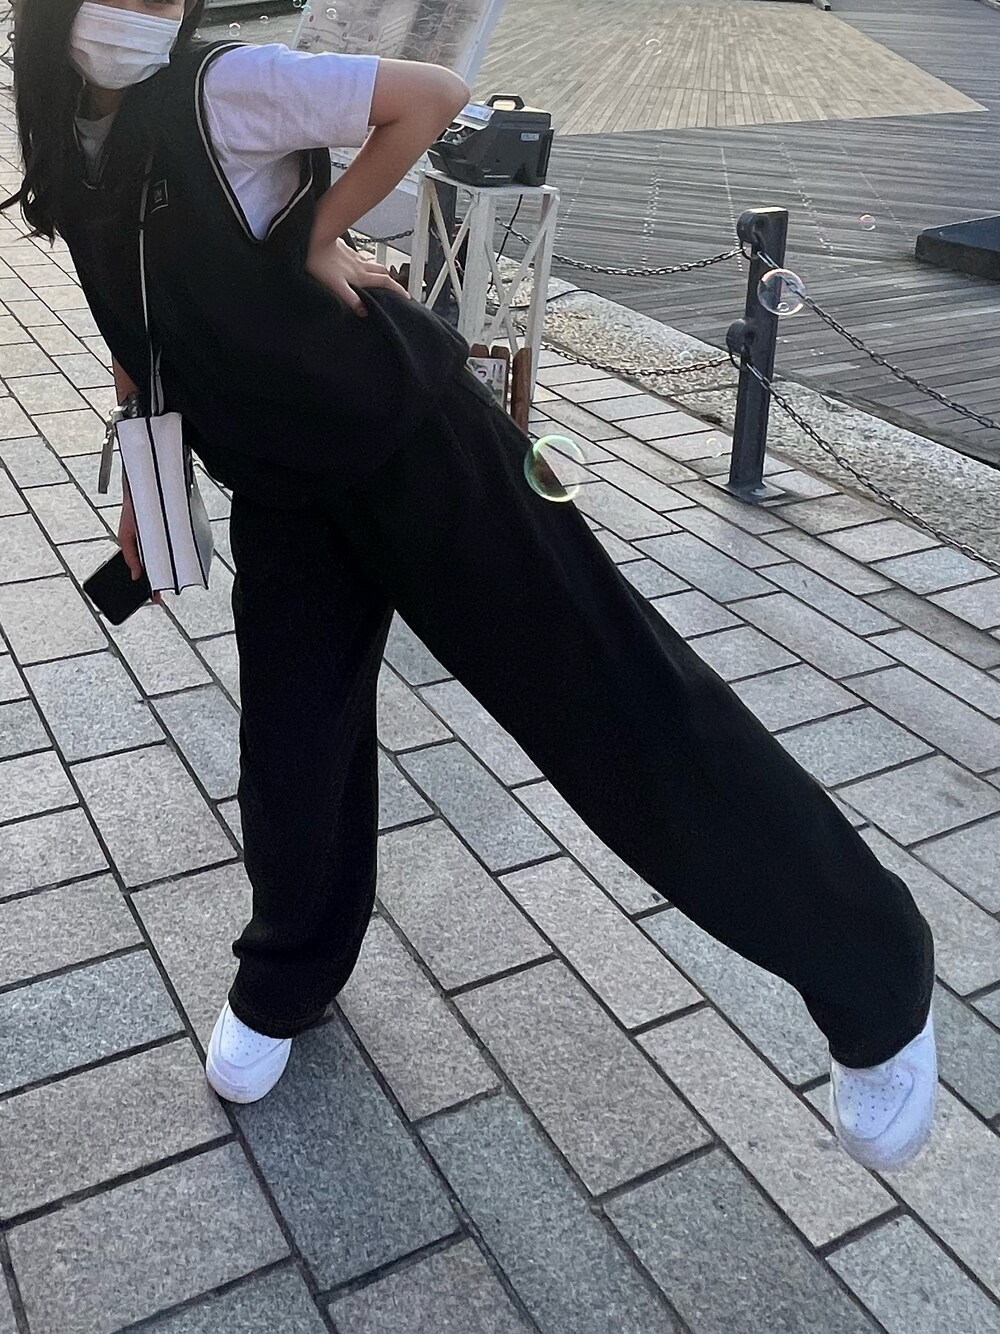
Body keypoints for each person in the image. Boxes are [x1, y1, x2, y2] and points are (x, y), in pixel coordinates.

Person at [6, 0, 938, 1173]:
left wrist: (315, 235)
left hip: (418, 445)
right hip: (285, 482)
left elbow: (429, 99)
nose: (148, 6)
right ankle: (288, 972)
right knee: (293, 746)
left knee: (609, 697)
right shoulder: (74, 132)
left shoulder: (222, 86)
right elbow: (136, 323)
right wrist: (145, 487)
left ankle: (874, 970)